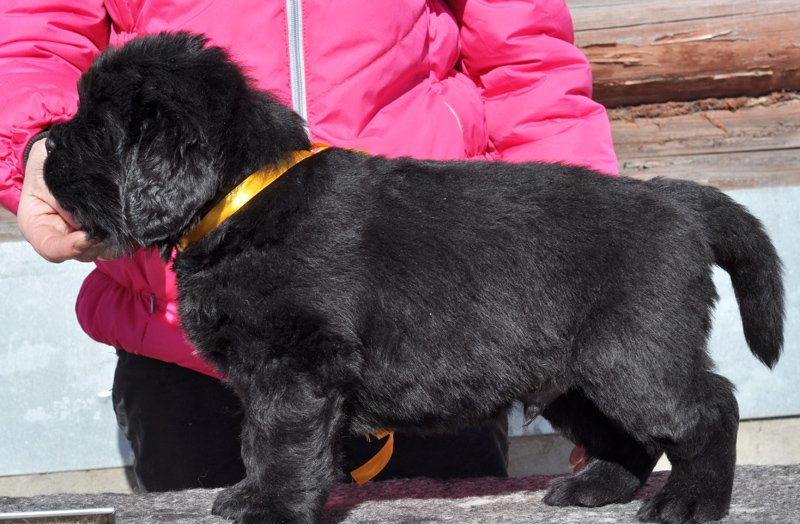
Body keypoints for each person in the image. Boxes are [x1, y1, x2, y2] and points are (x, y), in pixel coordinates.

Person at [0, 0, 617, 491]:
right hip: (190, 332)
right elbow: (31, 37)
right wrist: (37, 152)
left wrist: (587, 304)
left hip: (428, 316)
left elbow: (527, 68)